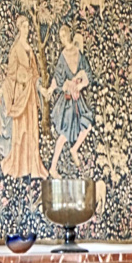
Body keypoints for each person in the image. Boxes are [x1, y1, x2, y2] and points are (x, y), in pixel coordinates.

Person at [0, 16, 46, 178]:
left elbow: (35, 73)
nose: (27, 29)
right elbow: (11, 75)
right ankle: (19, 166)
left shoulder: (29, 49)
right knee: (21, 130)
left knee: (32, 130)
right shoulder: (16, 49)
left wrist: (39, 87)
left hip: (30, 93)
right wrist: (3, 90)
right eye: (24, 27)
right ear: (19, 28)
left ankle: (32, 167)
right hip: (20, 93)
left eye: (27, 26)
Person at [49, 23, 94, 176]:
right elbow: (58, 77)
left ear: (69, 34)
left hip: (77, 99)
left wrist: (80, 84)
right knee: (64, 135)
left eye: (64, 35)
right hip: (68, 102)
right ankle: (53, 167)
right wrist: (58, 87)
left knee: (87, 126)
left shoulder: (78, 52)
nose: (63, 38)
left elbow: (87, 72)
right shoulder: (62, 56)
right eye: (60, 36)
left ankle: (74, 149)